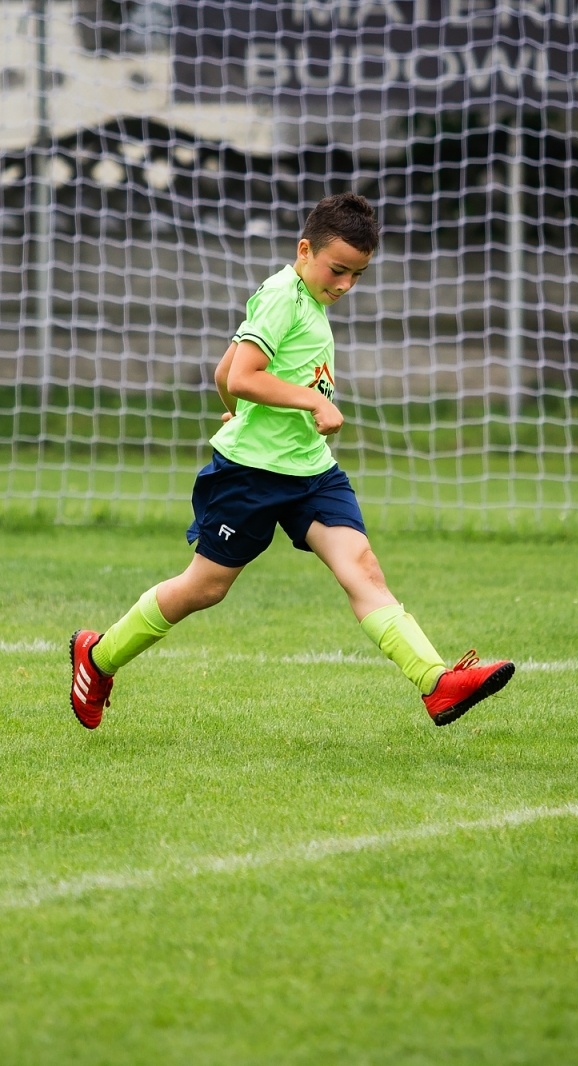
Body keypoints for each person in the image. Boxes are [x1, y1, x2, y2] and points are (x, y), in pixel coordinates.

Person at [68, 193, 514, 729]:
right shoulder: (282, 295)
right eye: (337, 270)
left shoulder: (308, 299)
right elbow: (242, 376)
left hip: (311, 472)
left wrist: (239, 413)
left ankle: (436, 683)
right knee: (204, 587)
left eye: (357, 275)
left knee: (362, 568)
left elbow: (224, 374)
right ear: (305, 250)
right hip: (250, 476)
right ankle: (98, 658)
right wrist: (311, 402)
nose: (345, 285)